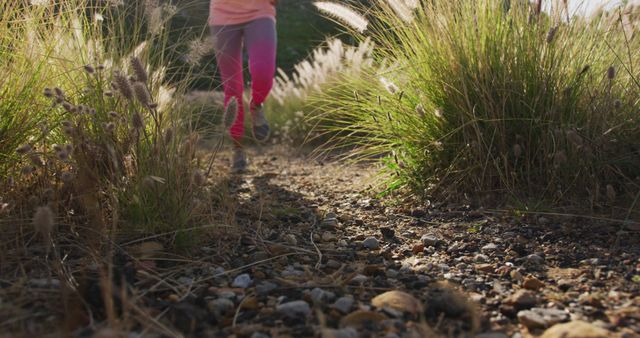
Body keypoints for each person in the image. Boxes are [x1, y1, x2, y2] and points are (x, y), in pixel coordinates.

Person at [209, 0, 277, 172]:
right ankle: (238, 149)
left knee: (263, 71)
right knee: (232, 87)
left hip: (259, 11)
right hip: (222, 14)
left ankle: (257, 104)